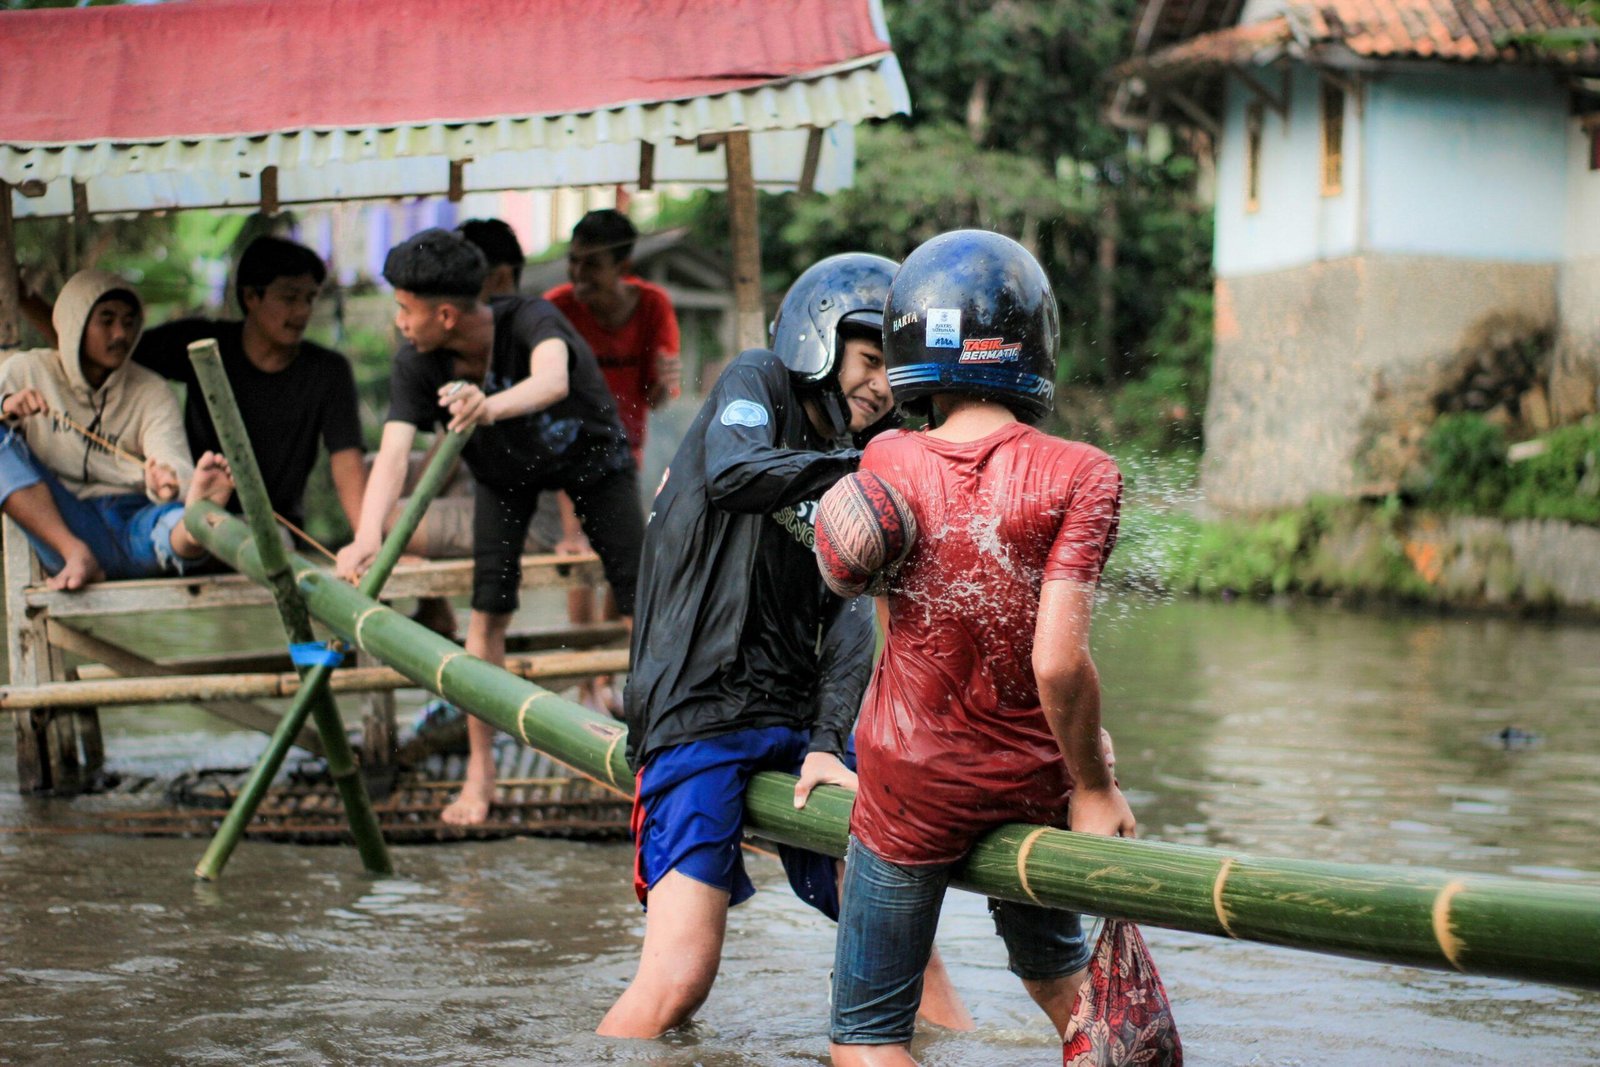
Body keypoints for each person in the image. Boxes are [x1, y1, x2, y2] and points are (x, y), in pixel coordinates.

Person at [598, 253, 966, 1040]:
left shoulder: (865, 474)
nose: (881, 386)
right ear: (818, 337)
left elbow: (850, 616)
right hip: (698, 711)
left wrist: (831, 739)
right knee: (678, 981)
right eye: (870, 360)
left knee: (907, 945)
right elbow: (735, 473)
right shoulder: (758, 382)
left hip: (799, 729)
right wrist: (872, 468)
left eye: (894, 373)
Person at [826, 230, 1134, 1066]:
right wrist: (1095, 786)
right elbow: (1058, 663)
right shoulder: (1084, 473)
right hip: (1034, 782)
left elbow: (880, 617)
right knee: (1066, 984)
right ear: (1036, 347)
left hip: (907, 790)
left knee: (868, 1033)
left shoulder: (885, 456)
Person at [335, 228, 642, 826]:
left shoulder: (529, 318)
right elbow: (394, 452)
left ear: (445, 315)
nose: (398, 321)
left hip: (593, 461)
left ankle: (652, 756)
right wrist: (368, 537)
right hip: (504, 475)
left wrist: (488, 406)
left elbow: (552, 380)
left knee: (642, 605)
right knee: (486, 614)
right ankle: (482, 774)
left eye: (404, 309)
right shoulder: (416, 363)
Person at [0, 269, 235, 589]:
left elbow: (171, 458)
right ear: (74, 323)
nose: (120, 334)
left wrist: (166, 481)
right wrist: (6, 407)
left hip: (135, 522)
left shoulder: (151, 389)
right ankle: (77, 554)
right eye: (106, 320)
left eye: (128, 321)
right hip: (67, 527)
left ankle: (193, 528)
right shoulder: (27, 371)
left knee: (168, 522)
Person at [133, 236, 366, 537]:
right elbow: (101, 354)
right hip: (193, 518)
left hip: (277, 531)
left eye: (309, 299)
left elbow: (346, 459)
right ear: (251, 297)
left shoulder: (327, 371)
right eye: (289, 298)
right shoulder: (201, 344)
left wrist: (366, 540)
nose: (302, 311)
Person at [545, 209, 682, 713]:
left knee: (621, 567)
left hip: (627, 453)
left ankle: (612, 681)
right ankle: (585, 685)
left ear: (623, 264)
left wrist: (665, 380)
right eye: (573, 262)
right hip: (566, 451)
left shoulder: (652, 305)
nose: (578, 275)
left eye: (591, 265)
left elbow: (659, 394)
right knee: (579, 557)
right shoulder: (555, 309)